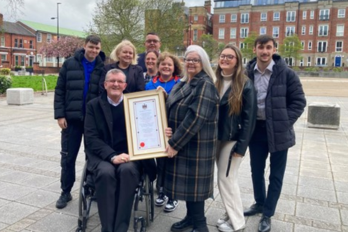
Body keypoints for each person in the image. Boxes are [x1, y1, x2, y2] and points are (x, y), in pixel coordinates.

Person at [244, 35, 306, 232]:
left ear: (274, 49)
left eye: (268, 47)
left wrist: (284, 122)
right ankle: (260, 203)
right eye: (261, 47)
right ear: (254, 49)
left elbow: (299, 102)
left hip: (279, 132)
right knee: (256, 171)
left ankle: (268, 214)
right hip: (256, 131)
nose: (264, 51)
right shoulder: (247, 73)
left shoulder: (286, 74)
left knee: (276, 175)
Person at [84, 69, 156, 232]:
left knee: (127, 171)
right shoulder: (93, 106)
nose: (115, 84)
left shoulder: (136, 105)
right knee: (105, 173)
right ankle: (107, 229)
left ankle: (120, 228)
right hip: (103, 156)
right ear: (105, 84)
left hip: (130, 155)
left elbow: (148, 130)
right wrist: (111, 156)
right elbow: (91, 137)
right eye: (112, 81)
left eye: (119, 81)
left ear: (125, 85)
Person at [165, 45, 219, 232]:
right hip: (187, 143)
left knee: (195, 188)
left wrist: (174, 143)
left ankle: (200, 225)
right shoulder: (185, 82)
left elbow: (196, 117)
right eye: (188, 59)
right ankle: (190, 218)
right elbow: (174, 105)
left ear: (203, 63)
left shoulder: (205, 83)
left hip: (196, 145)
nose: (191, 63)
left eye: (196, 60)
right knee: (190, 187)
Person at [54, 35, 105, 209]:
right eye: (91, 47)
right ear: (84, 46)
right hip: (72, 120)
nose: (94, 51)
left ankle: (91, 188)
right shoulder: (69, 64)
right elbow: (59, 90)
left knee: (93, 156)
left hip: (93, 121)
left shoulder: (102, 66)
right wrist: (60, 115)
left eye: (97, 48)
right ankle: (65, 191)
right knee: (68, 157)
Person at [215, 44, 257, 232]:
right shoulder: (214, 80)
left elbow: (250, 119)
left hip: (232, 139)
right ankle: (230, 213)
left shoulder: (245, 84)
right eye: (223, 56)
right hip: (214, 137)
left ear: (237, 61)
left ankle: (237, 223)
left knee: (226, 179)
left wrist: (241, 147)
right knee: (227, 179)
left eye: (230, 57)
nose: (225, 59)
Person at [145, 51, 182, 212]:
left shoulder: (181, 83)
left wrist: (167, 98)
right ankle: (161, 190)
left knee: (172, 161)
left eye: (169, 64)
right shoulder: (149, 84)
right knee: (160, 161)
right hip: (155, 128)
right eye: (163, 64)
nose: (166, 67)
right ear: (158, 66)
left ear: (174, 68)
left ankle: (173, 195)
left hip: (173, 128)